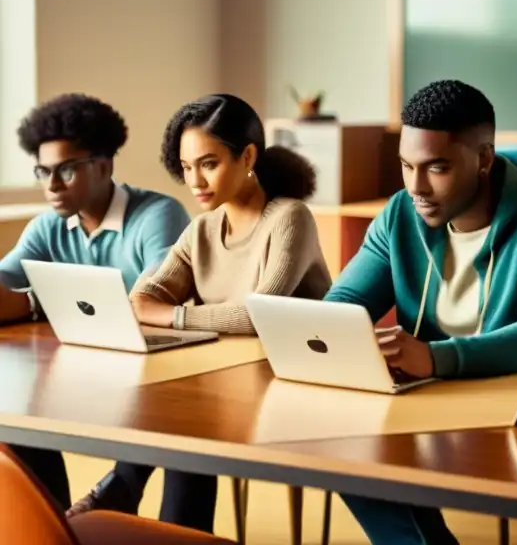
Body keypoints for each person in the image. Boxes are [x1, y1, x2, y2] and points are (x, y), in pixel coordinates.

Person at [324, 79, 517, 545]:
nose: (416, 187)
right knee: (342, 454)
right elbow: (339, 308)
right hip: (428, 412)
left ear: (483, 158)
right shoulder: (400, 215)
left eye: (436, 167)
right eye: (406, 166)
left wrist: (436, 358)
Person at [69, 93, 332, 530]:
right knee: (180, 412)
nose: (195, 180)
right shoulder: (204, 227)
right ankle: (150, 511)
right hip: (226, 382)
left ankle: (121, 488)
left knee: (184, 415)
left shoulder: (289, 218)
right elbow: (142, 296)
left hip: (294, 386)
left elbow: (259, 316)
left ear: (247, 155)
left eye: (208, 164)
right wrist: (158, 308)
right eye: (187, 167)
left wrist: (173, 317)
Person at [0, 94, 191, 511]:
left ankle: (123, 495)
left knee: (187, 433)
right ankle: (55, 526)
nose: (51, 184)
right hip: (82, 368)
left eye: (66, 169)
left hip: (163, 376)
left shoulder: (158, 215)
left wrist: (35, 304)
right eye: (43, 171)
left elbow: (158, 298)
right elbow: (4, 287)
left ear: (104, 166)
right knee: (12, 415)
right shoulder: (47, 227)